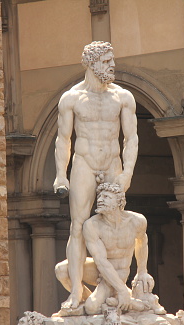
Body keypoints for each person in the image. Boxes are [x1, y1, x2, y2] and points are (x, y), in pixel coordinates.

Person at [53, 41, 138, 310]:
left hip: (111, 162)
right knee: (77, 225)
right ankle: (76, 291)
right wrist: (60, 175)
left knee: (116, 221)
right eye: (106, 61)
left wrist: (127, 174)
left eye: (112, 60)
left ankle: (118, 285)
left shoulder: (123, 97)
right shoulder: (71, 98)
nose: (112, 66)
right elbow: (62, 139)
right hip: (84, 164)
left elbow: (131, 139)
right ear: (91, 63)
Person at [55, 183, 154, 315]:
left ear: (119, 201)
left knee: (92, 308)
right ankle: (85, 301)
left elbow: (142, 242)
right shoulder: (92, 225)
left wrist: (142, 271)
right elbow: (101, 261)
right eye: (99, 197)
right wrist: (122, 290)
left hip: (120, 271)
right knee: (61, 270)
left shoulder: (137, 221)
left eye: (106, 197)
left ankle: (129, 302)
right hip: (100, 269)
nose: (100, 200)